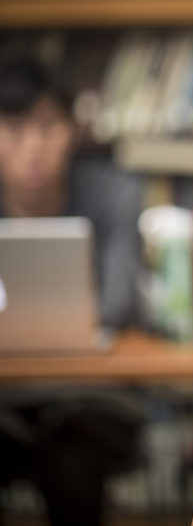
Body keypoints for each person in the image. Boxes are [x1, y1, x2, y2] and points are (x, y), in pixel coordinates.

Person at [0, 58, 145, 525]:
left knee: (73, 460)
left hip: (90, 394)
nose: (33, 148)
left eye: (48, 127)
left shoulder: (114, 192)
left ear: (74, 129)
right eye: (14, 129)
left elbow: (117, 302)